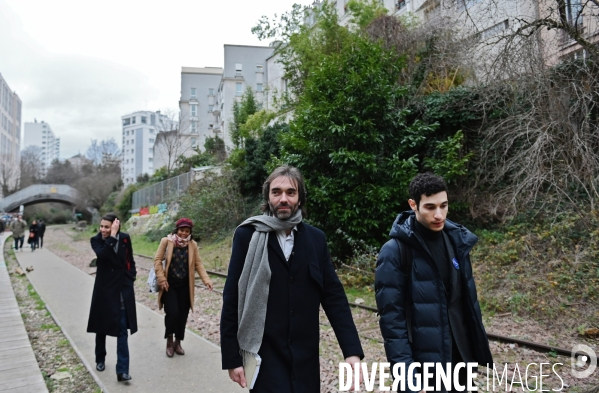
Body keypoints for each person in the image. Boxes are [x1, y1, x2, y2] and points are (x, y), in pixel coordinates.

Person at [220, 165, 364, 392]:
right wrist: (232, 357)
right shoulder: (247, 236)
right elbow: (232, 297)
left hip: (305, 358)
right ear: (268, 196)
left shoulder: (316, 240)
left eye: (291, 192)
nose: (283, 199)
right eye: (276, 192)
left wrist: (352, 352)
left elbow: (334, 297)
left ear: (300, 197)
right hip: (265, 354)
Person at [375, 173, 493, 393]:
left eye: (444, 205)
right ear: (413, 205)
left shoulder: (458, 241)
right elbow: (393, 323)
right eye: (430, 207)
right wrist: (409, 379)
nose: (439, 214)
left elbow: (465, 305)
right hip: (424, 368)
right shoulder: (394, 252)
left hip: (460, 364)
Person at [87, 213, 137, 382]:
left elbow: (130, 260)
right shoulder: (96, 240)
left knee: (122, 328)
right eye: (101, 226)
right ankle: (100, 358)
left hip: (121, 290)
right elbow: (103, 255)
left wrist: (131, 277)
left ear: (116, 226)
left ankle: (122, 370)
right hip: (104, 290)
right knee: (101, 327)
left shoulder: (124, 238)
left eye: (107, 227)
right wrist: (112, 236)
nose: (103, 230)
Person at [153, 218, 214, 357]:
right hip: (169, 285)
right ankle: (169, 340)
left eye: (187, 231)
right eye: (182, 230)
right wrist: (161, 278)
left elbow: (198, 264)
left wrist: (206, 280)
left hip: (185, 286)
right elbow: (157, 260)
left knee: (182, 315)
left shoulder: (192, 245)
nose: (184, 233)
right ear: (177, 230)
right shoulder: (166, 242)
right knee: (172, 313)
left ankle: (178, 342)